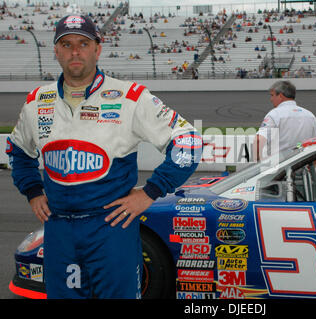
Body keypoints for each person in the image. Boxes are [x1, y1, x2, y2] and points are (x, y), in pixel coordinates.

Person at [5, 15, 202, 299]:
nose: (75, 51)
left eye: (83, 43)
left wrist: (150, 191)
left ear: (97, 49)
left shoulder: (130, 97)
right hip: (59, 230)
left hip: (111, 227)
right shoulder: (37, 101)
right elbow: (18, 151)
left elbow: (189, 142)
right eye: (67, 44)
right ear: (56, 51)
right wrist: (33, 191)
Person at [253, 80, 316, 161]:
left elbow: (259, 140)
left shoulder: (275, 114)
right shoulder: (310, 115)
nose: (271, 99)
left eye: (272, 95)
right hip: (303, 165)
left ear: (280, 96)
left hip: (280, 167)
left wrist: (257, 162)